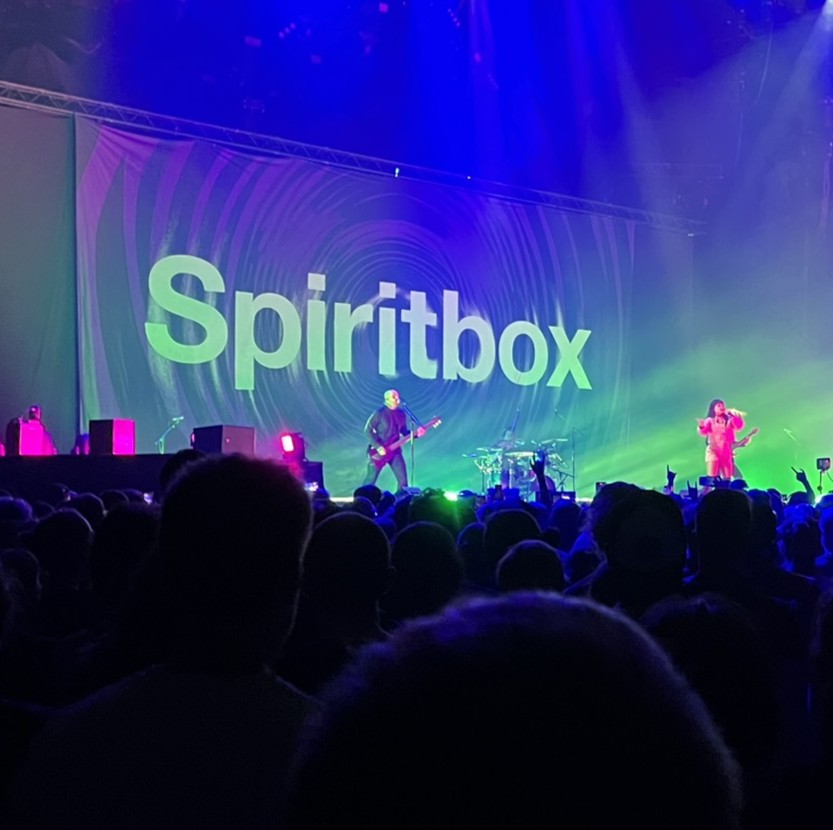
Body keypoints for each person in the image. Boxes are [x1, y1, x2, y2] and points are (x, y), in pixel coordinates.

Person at [363, 389, 424, 491]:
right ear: (387, 400)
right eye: (393, 397)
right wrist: (378, 447)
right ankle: (362, 498)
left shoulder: (401, 413)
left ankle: (401, 499)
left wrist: (417, 434)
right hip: (379, 451)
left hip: (395, 451)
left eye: (397, 396)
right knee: (370, 480)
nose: (397, 399)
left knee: (403, 481)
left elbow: (404, 432)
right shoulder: (379, 413)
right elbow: (367, 431)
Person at [697, 399, 745, 481]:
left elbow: (739, 426)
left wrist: (734, 416)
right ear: (713, 408)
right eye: (718, 405)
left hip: (726, 451)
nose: (721, 407)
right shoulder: (710, 420)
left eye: (722, 405)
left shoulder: (728, 420)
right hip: (713, 450)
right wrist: (701, 427)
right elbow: (704, 431)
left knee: (727, 478)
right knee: (713, 477)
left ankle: (726, 487)